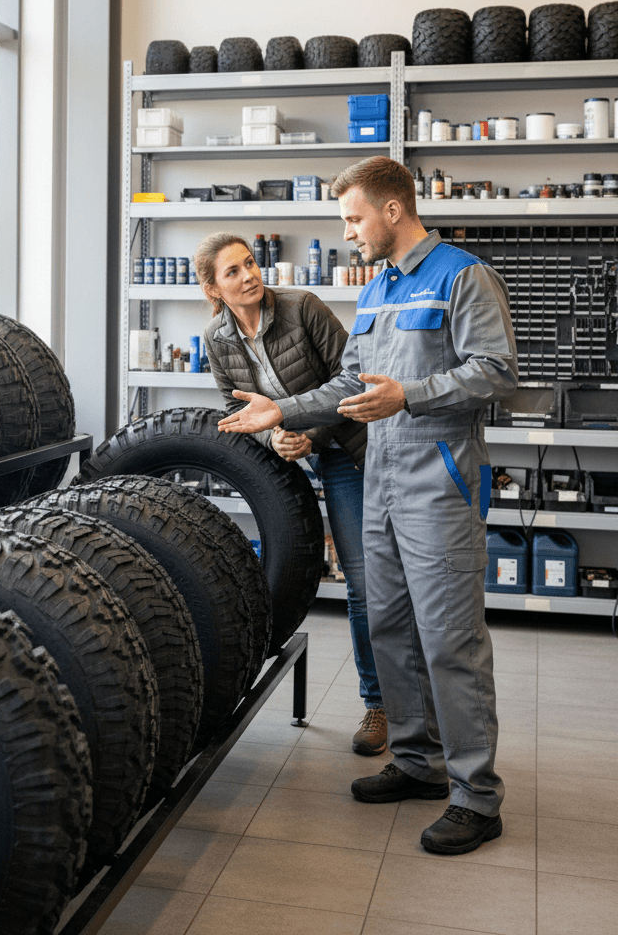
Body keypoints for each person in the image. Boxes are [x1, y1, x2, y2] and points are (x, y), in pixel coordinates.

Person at [217, 155, 518, 856]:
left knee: (451, 642)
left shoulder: (462, 276)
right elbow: (352, 380)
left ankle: (477, 797)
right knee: (389, 627)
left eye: (353, 217)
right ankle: (418, 762)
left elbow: (495, 372)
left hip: (439, 480)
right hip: (378, 476)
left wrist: (409, 395)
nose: (347, 231)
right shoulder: (379, 288)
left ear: (391, 209)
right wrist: (282, 409)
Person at [195, 231, 386, 756]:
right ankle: (382, 703)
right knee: (364, 585)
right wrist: (274, 438)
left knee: (380, 582)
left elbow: (353, 381)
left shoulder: (304, 308)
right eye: (232, 271)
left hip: (352, 448)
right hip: (307, 457)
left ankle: (394, 704)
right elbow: (235, 409)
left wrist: (309, 433)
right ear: (214, 288)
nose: (249, 275)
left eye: (250, 263)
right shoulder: (217, 340)